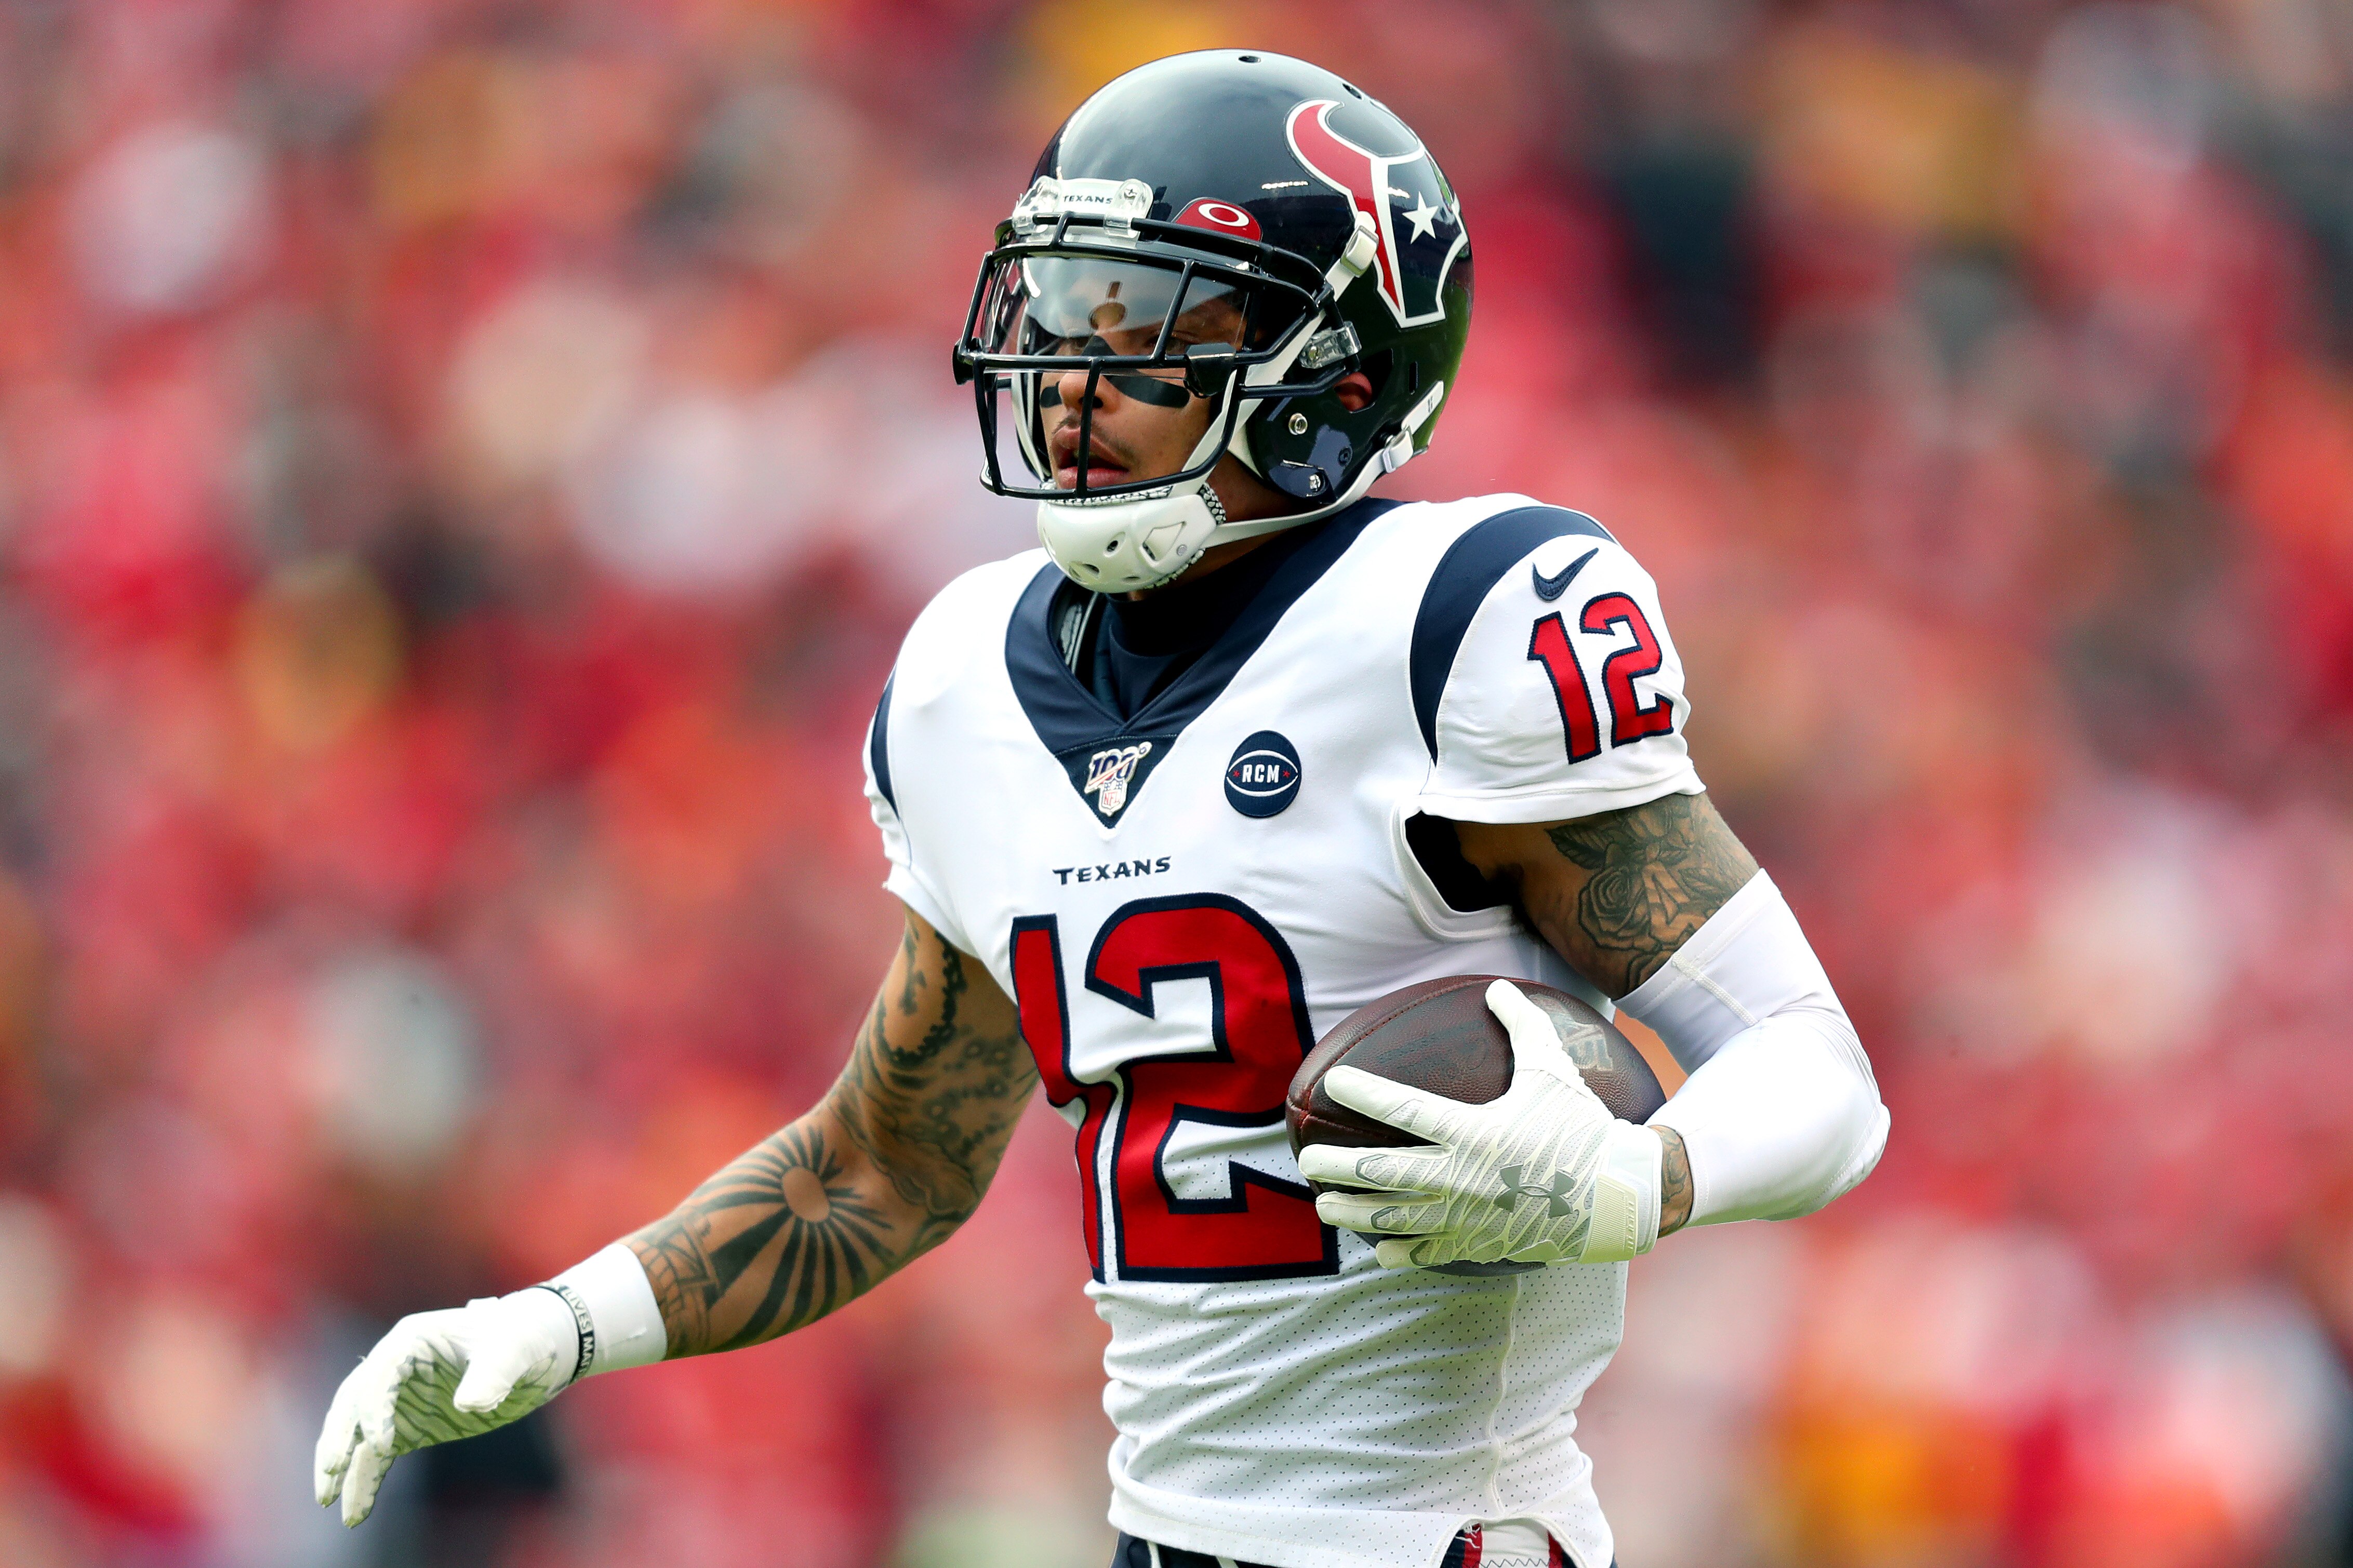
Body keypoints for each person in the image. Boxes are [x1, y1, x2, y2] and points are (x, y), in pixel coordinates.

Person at [314, 50, 1888, 1568]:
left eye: (1145, 333)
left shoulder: (1457, 622)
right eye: (1059, 316)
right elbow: (879, 1170)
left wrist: (1637, 1177)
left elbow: (1814, 1069)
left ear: (1329, 375)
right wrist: (553, 1323)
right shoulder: (959, 682)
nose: (1069, 384)